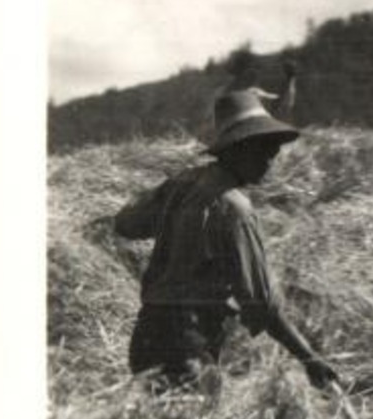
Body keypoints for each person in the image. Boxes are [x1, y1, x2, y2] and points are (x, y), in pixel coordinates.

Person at [114, 89, 340, 391]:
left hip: (146, 339)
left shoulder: (181, 184)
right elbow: (260, 303)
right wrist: (309, 358)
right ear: (236, 149)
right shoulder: (235, 209)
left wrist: (164, 196)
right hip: (187, 348)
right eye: (263, 149)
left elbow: (126, 223)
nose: (270, 160)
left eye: (273, 150)